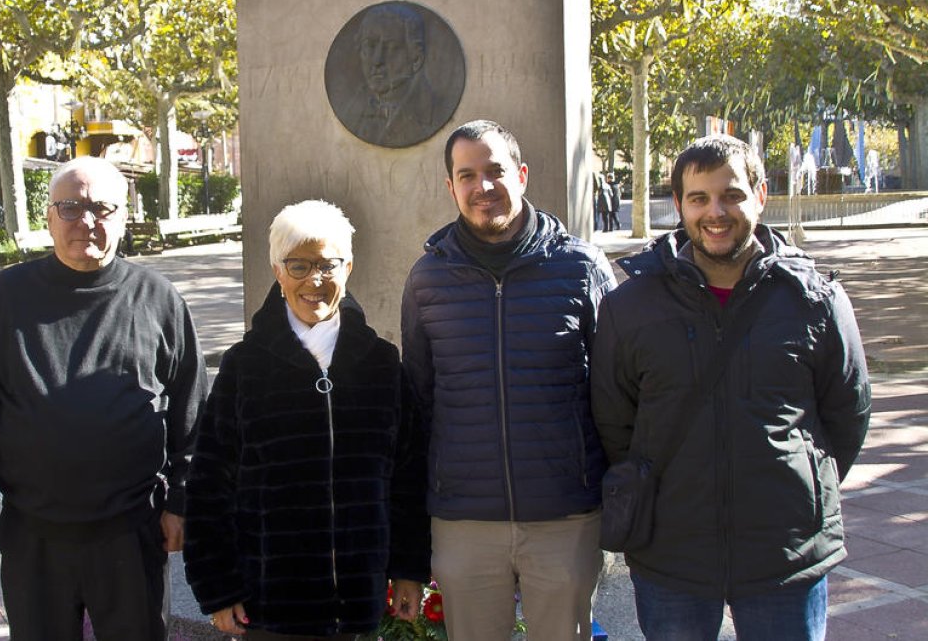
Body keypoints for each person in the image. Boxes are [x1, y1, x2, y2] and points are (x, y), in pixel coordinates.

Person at [591, 134, 870, 640]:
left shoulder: (815, 300)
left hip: (786, 551)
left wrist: (798, 480)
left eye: (732, 195)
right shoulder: (629, 307)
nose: (715, 212)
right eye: (699, 198)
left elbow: (848, 413)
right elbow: (614, 420)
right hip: (672, 550)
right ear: (678, 204)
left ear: (761, 195)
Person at [0, 156, 208, 641]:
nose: (87, 221)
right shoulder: (4, 298)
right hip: (35, 531)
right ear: (48, 217)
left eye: (102, 207)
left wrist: (183, 502)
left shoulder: (159, 299)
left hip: (132, 530)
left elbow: (193, 414)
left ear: (124, 216)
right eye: (71, 207)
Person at [401, 119, 616, 640]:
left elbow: (617, 392)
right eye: (467, 175)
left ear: (520, 175)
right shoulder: (427, 279)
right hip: (464, 520)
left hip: (564, 517)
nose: (483, 187)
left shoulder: (582, 268)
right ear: (451, 187)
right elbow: (420, 401)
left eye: (495, 170)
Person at [184, 200, 429, 639]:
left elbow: (408, 477)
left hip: (358, 605)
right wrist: (218, 589)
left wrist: (409, 568)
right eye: (298, 266)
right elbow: (208, 485)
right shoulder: (245, 367)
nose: (314, 280)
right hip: (271, 606)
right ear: (277, 271)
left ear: (348, 267)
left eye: (327, 264)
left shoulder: (381, 364)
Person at [351, 3, 442, 147]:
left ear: (416, 58)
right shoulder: (352, 110)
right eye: (370, 46)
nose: (377, 60)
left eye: (391, 47)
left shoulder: (433, 111)